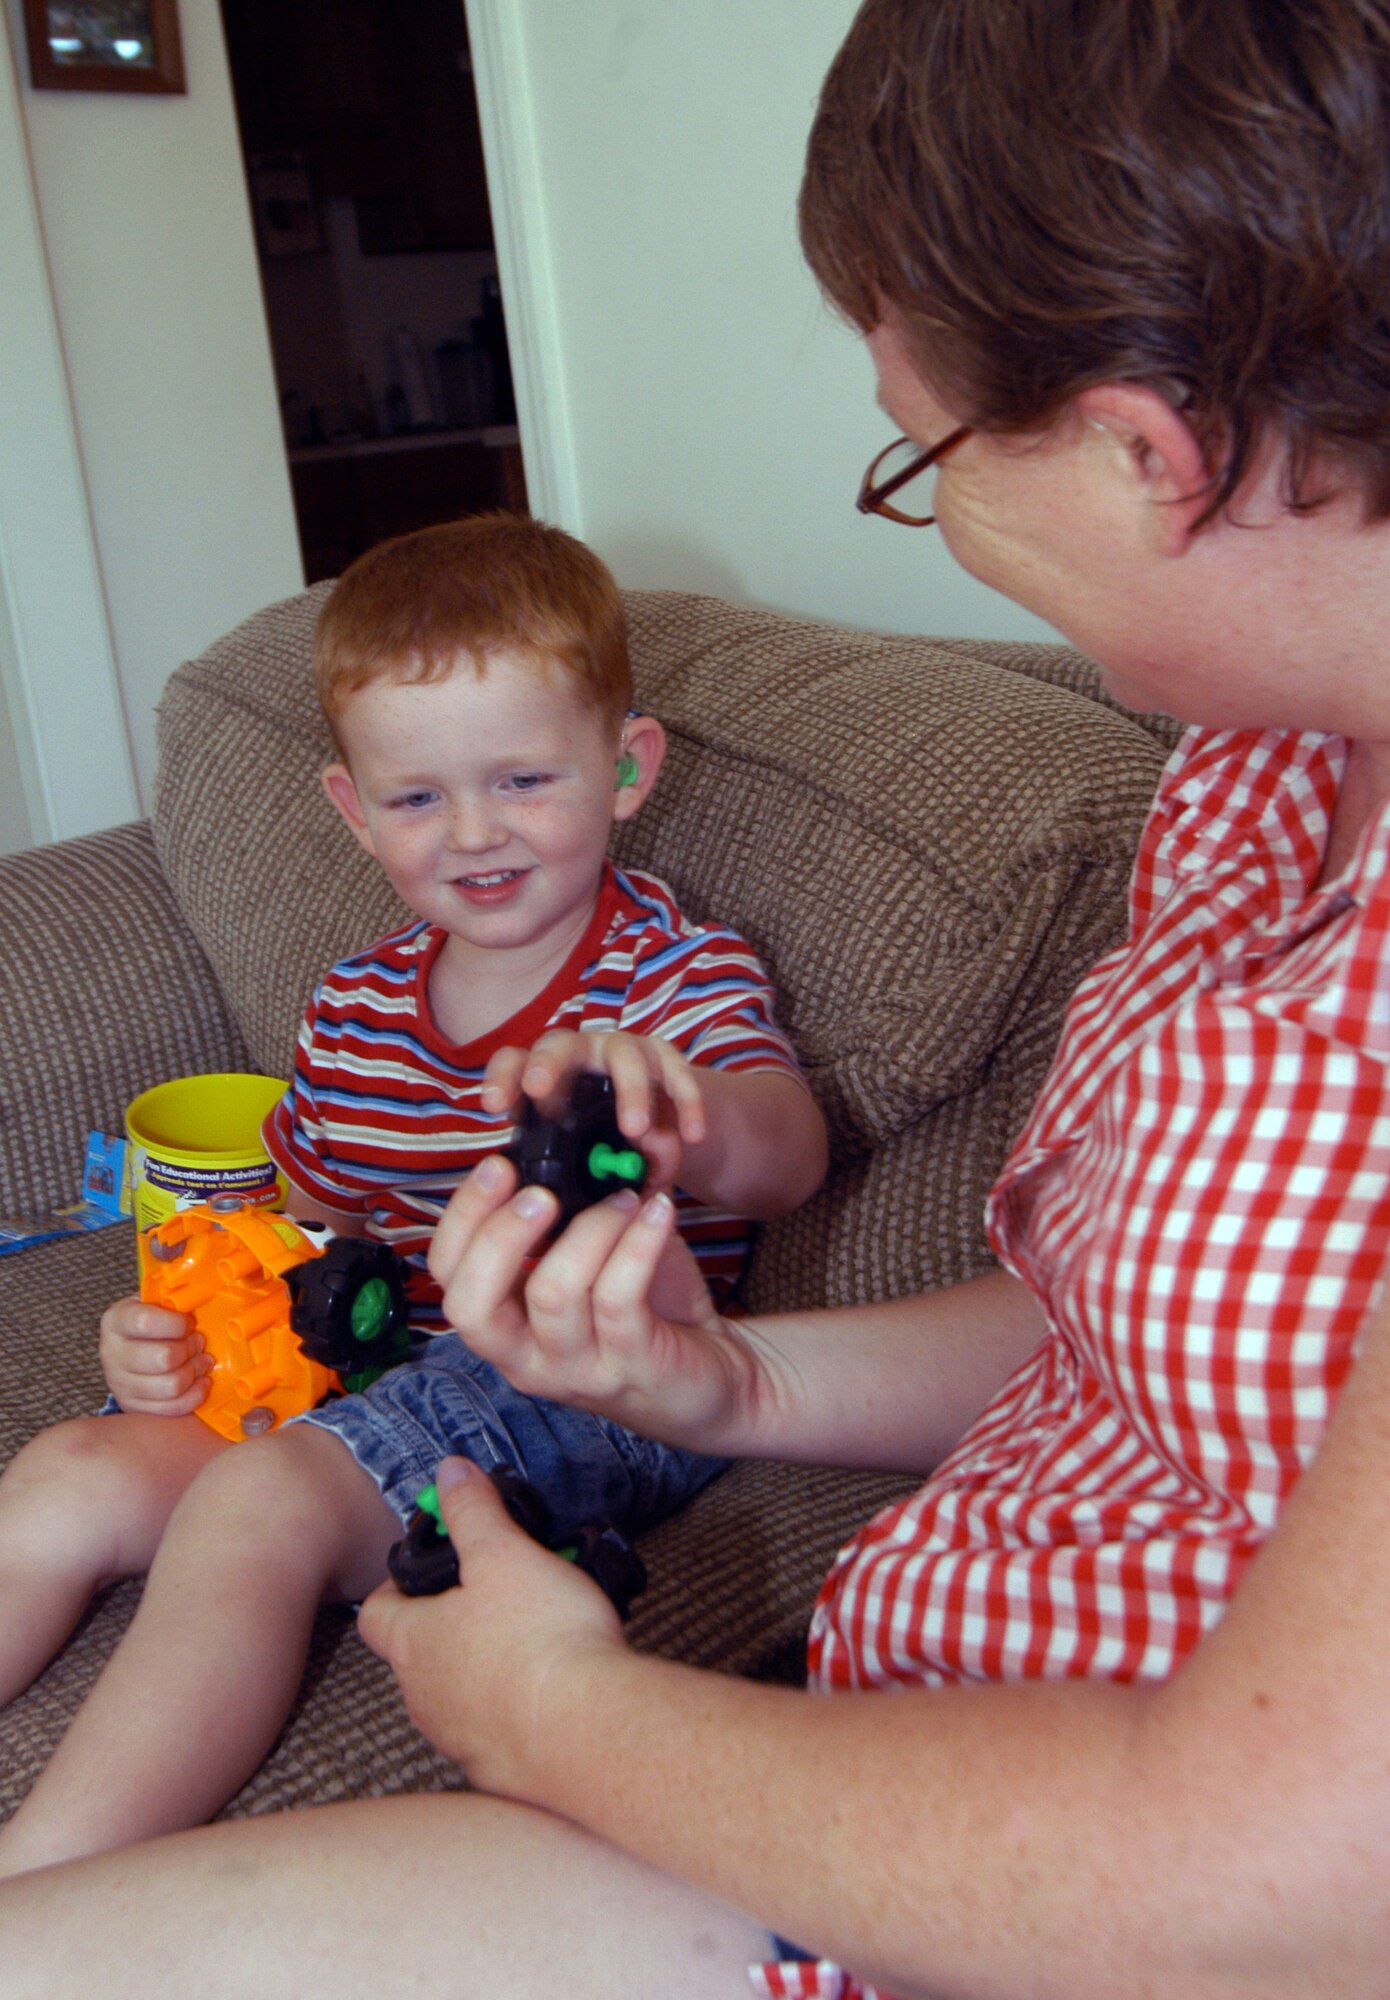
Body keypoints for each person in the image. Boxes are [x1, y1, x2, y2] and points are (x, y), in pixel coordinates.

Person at [3, 0, 1390, 1993]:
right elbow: (1104, 1313)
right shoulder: (1253, 767)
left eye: (920, 447)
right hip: (892, 1754)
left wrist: (552, 1712)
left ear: (1155, 452)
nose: (938, 511)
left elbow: (1317, 1891)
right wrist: (736, 1385)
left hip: (1028, 1895)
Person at [0, 512, 827, 1880]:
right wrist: (179, 1330)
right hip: (367, 1359)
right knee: (65, 1476)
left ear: (624, 769)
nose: (475, 834)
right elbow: (307, 1228)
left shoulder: (670, 974)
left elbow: (787, 1152)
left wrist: (673, 1105)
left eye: (521, 779)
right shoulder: (355, 1003)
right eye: (417, 797)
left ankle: (43, 1879)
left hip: (587, 1374)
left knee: (257, 1508)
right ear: (350, 808)